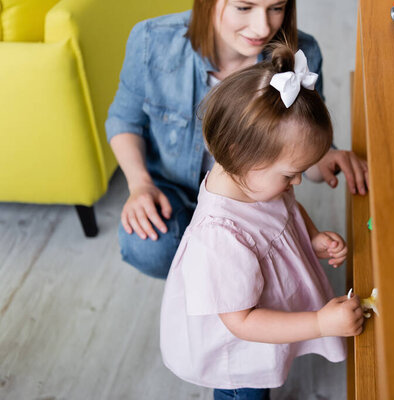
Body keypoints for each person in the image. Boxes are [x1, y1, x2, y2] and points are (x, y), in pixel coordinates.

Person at [105, 0, 369, 279]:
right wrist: (140, 184)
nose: (262, 27)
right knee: (148, 246)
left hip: (251, 198)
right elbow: (124, 120)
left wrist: (324, 155)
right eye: (244, 8)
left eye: (276, 8)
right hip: (174, 190)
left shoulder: (302, 53)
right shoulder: (152, 39)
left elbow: (301, 150)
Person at [160, 44, 364, 400]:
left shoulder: (257, 182)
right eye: (292, 174)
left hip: (259, 321)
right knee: (248, 392)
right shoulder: (220, 239)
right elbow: (242, 322)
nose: (297, 183)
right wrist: (318, 323)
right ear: (242, 154)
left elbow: (286, 208)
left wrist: (311, 237)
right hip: (238, 351)